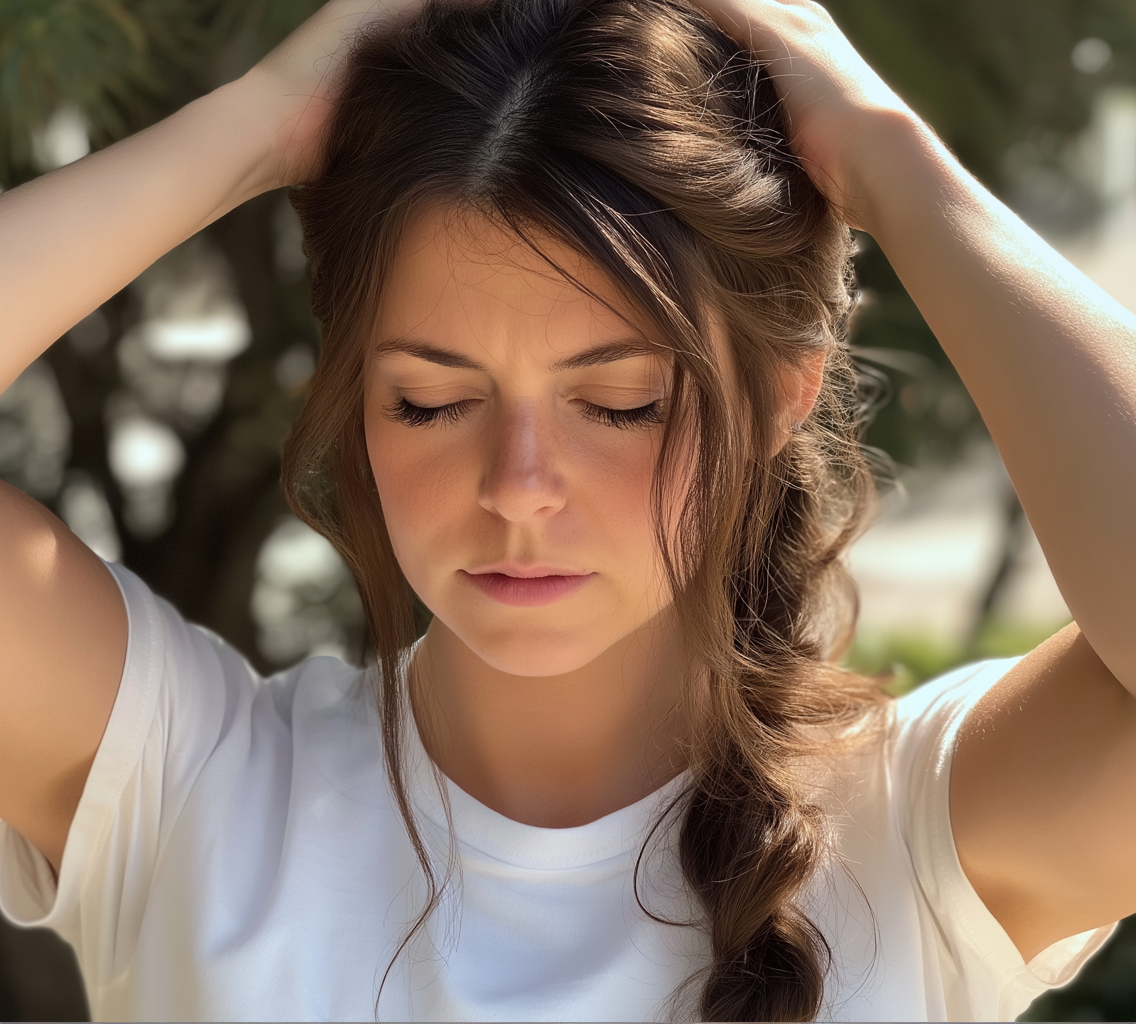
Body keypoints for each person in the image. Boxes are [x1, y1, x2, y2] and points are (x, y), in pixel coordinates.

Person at [1, 0, 1134, 1019]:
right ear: (355, 402)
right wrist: (259, 122)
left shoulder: (930, 830)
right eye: (431, 401)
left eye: (621, 403)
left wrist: (889, 160)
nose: (519, 485)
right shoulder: (183, 790)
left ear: (785, 394)